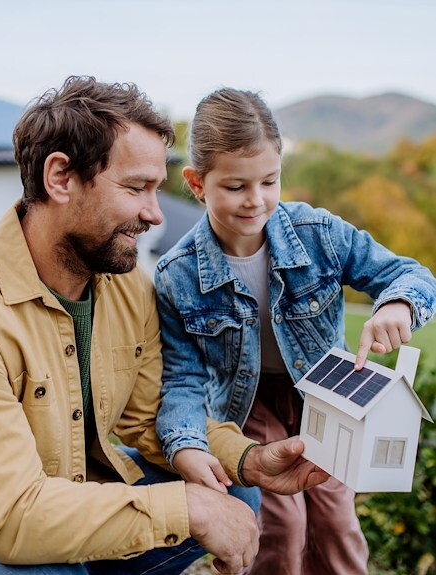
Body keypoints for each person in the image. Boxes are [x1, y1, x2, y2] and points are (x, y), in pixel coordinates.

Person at [0, 76, 329, 575]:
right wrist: (186, 509)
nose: (155, 214)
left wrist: (248, 459)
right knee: (42, 566)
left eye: (157, 189)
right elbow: (11, 519)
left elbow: (151, 415)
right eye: (136, 189)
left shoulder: (125, 284)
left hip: (66, 490)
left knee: (233, 491)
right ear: (61, 178)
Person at [154, 87, 436, 575]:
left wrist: (397, 304)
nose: (256, 200)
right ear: (197, 183)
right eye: (236, 187)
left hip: (327, 396)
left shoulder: (319, 233)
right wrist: (185, 443)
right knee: (280, 527)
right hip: (247, 405)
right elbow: (182, 376)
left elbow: (411, 275)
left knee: (337, 522)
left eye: (269, 181)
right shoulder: (177, 275)